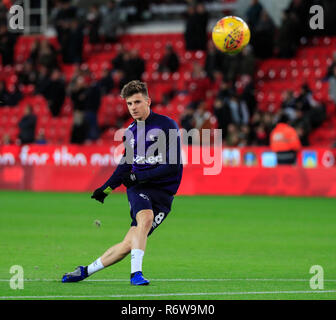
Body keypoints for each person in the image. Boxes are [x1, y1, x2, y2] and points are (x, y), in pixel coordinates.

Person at [62, 80, 183, 285]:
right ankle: (136, 274)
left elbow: (172, 165)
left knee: (129, 243)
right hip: (140, 188)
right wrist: (106, 188)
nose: (133, 108)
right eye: (129, 104)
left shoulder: (166, 125)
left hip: (164, 195)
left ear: (148, 101)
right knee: (145, 218)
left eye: (137, 102)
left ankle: (85, 271)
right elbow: (125, 165)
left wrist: (139, 176)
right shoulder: (131, 132)